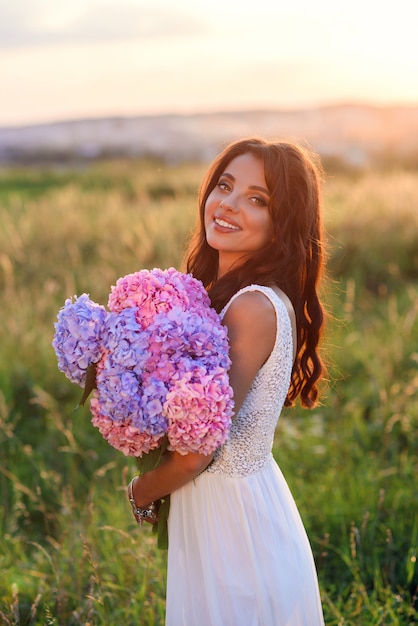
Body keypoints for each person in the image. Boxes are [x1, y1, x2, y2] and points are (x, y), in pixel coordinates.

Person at [129, 137, 326, 625]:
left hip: (235, 528)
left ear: (283, 224)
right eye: (225, 185)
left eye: (257, 200)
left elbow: (199, 450)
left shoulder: (252, 307)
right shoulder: (228, 297)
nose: (228, 205)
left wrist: (141, 490)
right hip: (227, 512)